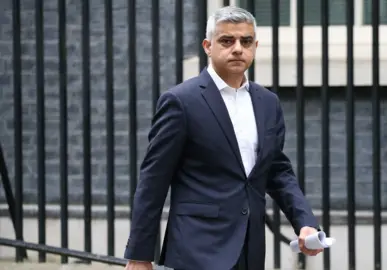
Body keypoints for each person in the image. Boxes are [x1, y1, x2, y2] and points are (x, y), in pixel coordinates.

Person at [123, 6, 323, 270]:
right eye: (227, 41)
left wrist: (305, 222)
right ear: (208, 46)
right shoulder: (181, 102)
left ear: (255, 46)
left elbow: (277, 170)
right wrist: (139, 255)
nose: (238, 48)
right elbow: (153, 181)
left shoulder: (267, 103)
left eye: (246, 41)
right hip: (197, 250)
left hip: (250, 248)